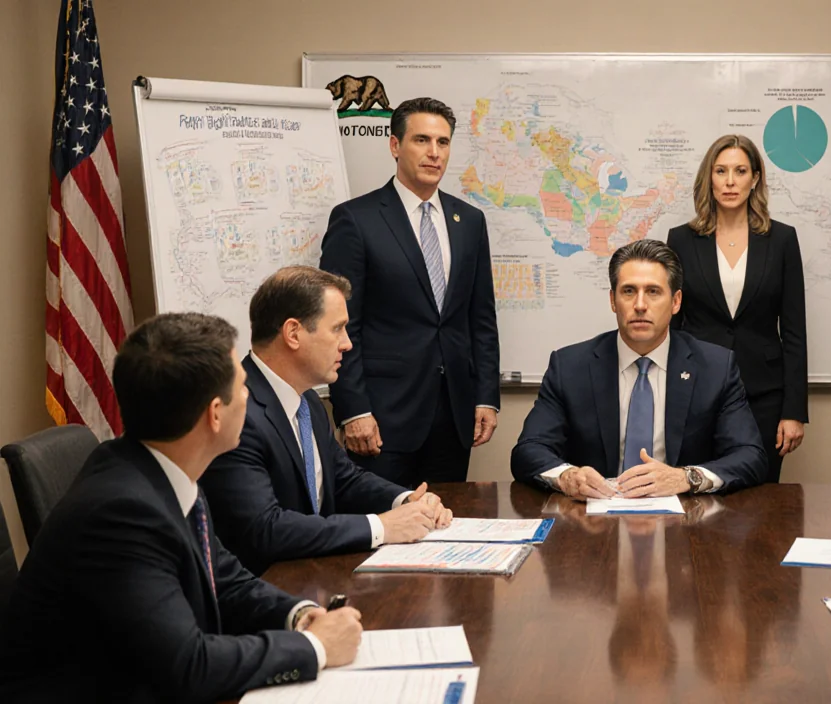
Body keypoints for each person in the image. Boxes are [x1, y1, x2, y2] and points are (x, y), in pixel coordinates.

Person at [0, 313, 363, 702]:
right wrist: (314, 648)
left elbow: (224, 579)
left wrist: (299, 615)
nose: (248, 396)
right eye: (241, 386)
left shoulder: (162, 466)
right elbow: (189, 667)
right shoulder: (123, 513)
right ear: (214, 414)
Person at [202, 266, 453, 575]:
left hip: (315, 574)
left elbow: (343, 478)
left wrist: (405, 501)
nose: (347, 343)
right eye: (337, 329)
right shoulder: (238, 412)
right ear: (293, 333)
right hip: (266, 586)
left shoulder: (307, 401)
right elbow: (266, 529)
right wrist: (381, 527)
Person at [320, 96, 500, 487]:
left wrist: (486, 396)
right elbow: (339, 325)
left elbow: (481, 317)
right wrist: (353, 410)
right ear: (395, 145)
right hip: (382, 418)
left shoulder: (470, 221)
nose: (434, 153)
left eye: (443, 142)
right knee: (384, 521)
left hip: (454, 417)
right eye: (422, 140)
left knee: (447, 519)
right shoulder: (356, 219)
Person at [511, 239, 766, 498]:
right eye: (629, 291)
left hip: (685, 514)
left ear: (676, 302)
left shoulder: (715, 368)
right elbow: (529, 450)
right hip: (594, 512)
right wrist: (567, 477)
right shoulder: (569, 367)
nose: (640, 305)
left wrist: (686, 477)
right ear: (613, 300)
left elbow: (750, 455)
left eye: (653, 291)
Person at [667, 134, 807, 482]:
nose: (730, 181)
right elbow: (673, 326)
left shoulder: (782, 239)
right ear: (709, 178)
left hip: (764, 397)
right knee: (697, 493)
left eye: (740, 171)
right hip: (698, 391)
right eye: (721, 171)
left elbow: (794, 332)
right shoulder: (681, 239)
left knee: (760, 497)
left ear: (755, 178)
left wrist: (793, 412)